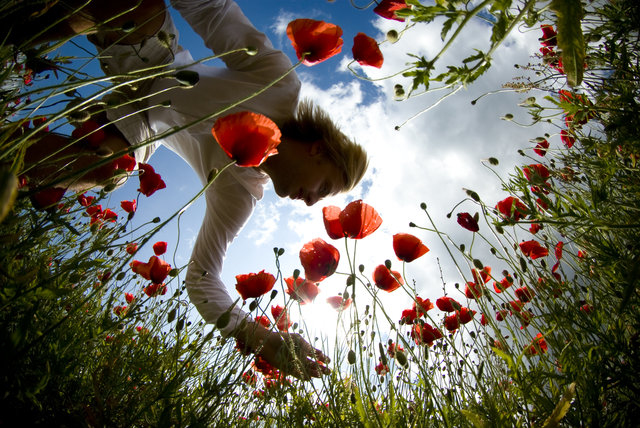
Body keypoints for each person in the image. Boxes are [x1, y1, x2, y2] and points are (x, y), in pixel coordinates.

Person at [8, 0, 368, 380]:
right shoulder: (280, 85)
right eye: (322, 187)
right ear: (318, 150)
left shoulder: (239, 193)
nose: (311, 202)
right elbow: (215, 12)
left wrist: (261, 337)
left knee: (107, 169)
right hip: (156, 62)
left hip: (143, 121)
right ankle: (13, 37)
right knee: (135, 7)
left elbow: (202, 279)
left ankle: (7, 151)